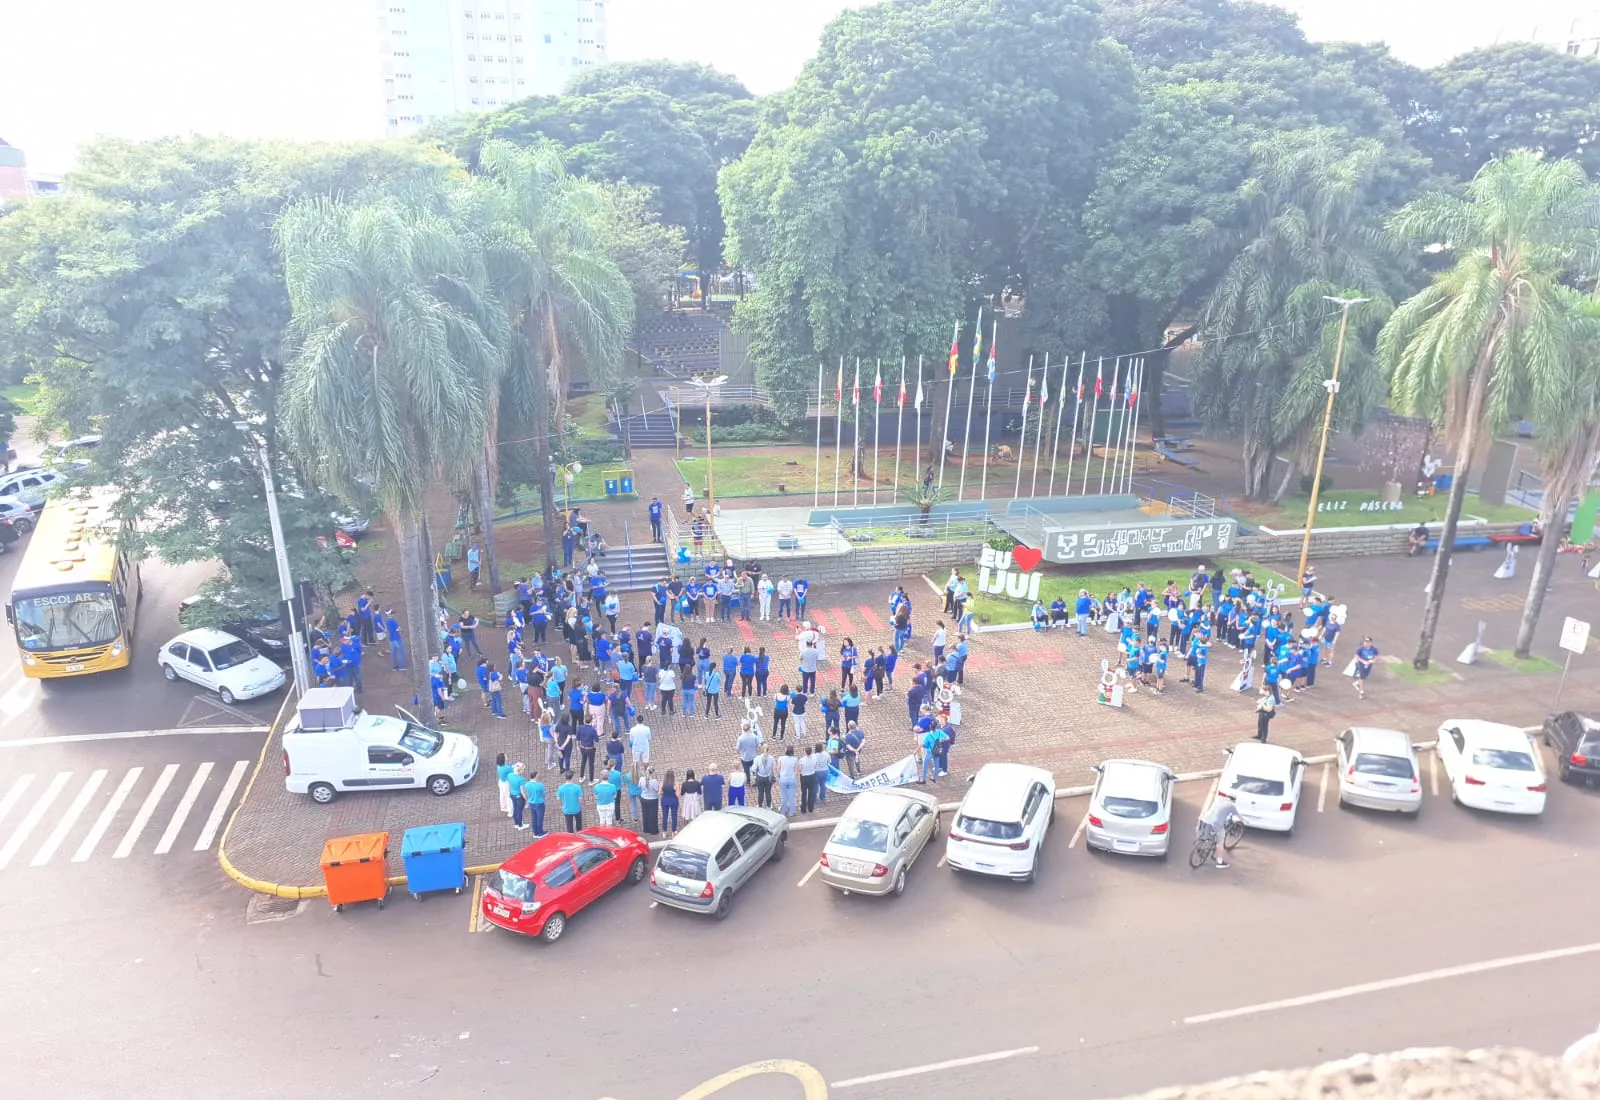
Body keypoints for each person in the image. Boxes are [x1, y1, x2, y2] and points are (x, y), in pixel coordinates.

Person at [1197, 793, 1241, 869]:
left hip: (1204, 821)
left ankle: (1202, 845)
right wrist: (1245, 821)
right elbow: (1238, 816)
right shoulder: (1231, 806)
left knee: (1207, 835)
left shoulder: (1219, 800)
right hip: (1215, 824)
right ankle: (1220, 862)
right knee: (1220, 843)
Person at [777, 746, 799, 816]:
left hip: (783, 779)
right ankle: (791, 812)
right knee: (792, 796)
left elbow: (778, 768)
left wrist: (779, 775)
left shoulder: (781, 758)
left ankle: (783, 811)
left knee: (783, 796)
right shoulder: (795, 759)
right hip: (791, 779)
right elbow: (797, 769)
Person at [640, 766, 661, 835]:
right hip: (652, 799)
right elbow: (657, 790)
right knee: (653, 815)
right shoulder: (654, 781)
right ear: (652, 773)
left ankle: (646, 829)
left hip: (643, 798)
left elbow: (639, 786)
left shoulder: (642, 779)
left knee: (645, 814)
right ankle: (653, 830)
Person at [525, 770, 547, 836]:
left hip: (531, 803)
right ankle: (540, 832)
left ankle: (535, 832)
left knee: (534, 818)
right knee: (540, 818)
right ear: (535, 776)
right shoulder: (540, 785)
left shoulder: (527, 784)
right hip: (539, 803)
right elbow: (543, 794)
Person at [660, 770, 680, 837]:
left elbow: (659, 793)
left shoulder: (662, 783)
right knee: (674, 816)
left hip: (665, 800)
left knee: (665, 816)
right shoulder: (675, 784)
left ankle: (664, 832)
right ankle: (673, 831)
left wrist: (664, 793)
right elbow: (678, 795)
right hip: (673, 801)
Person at [508, 763, 529, 830]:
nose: (523, 771)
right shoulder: (521, 779)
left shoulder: (510, 775)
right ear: (520, 771)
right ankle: (520, 825)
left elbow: (509, 784)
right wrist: (526, 799)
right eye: (523, 769)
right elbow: (522, 791)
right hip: (519, 796)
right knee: (519, 811)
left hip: (512, 794)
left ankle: (516, 823)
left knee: (515, 808)